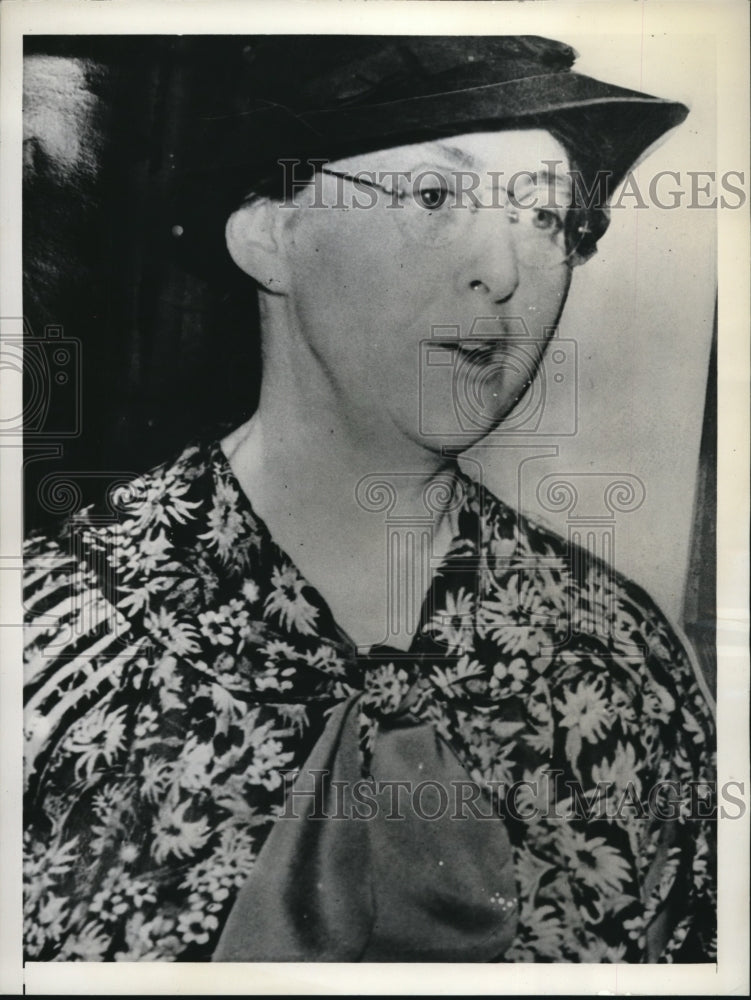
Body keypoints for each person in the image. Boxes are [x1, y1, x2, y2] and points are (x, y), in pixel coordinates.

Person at [23, 35, 716, 963]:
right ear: (268, 236)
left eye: (545, 217)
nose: (505, 270)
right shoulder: (53, 642)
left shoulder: (618, 666)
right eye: (433, 197)